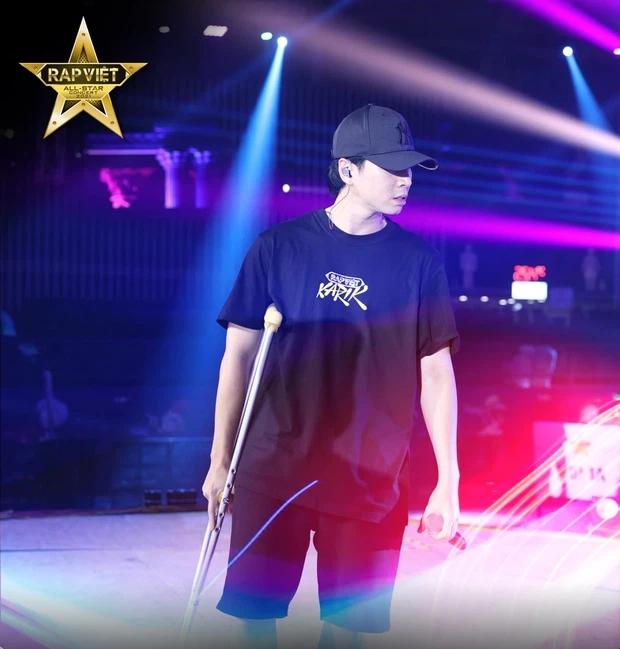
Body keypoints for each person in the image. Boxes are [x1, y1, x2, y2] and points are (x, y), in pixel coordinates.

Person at [202, 104, 461, 649]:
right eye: (392, 168)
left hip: (373, 478)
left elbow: (437, 373)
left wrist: (448, 480)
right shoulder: (277, 248)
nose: (406, 180)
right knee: (254, 619)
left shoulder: (419, 263)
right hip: (275, 468)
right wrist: (220, 461)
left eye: (410, 169)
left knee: (348, 631)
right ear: (348, 169)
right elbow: (237, 359)